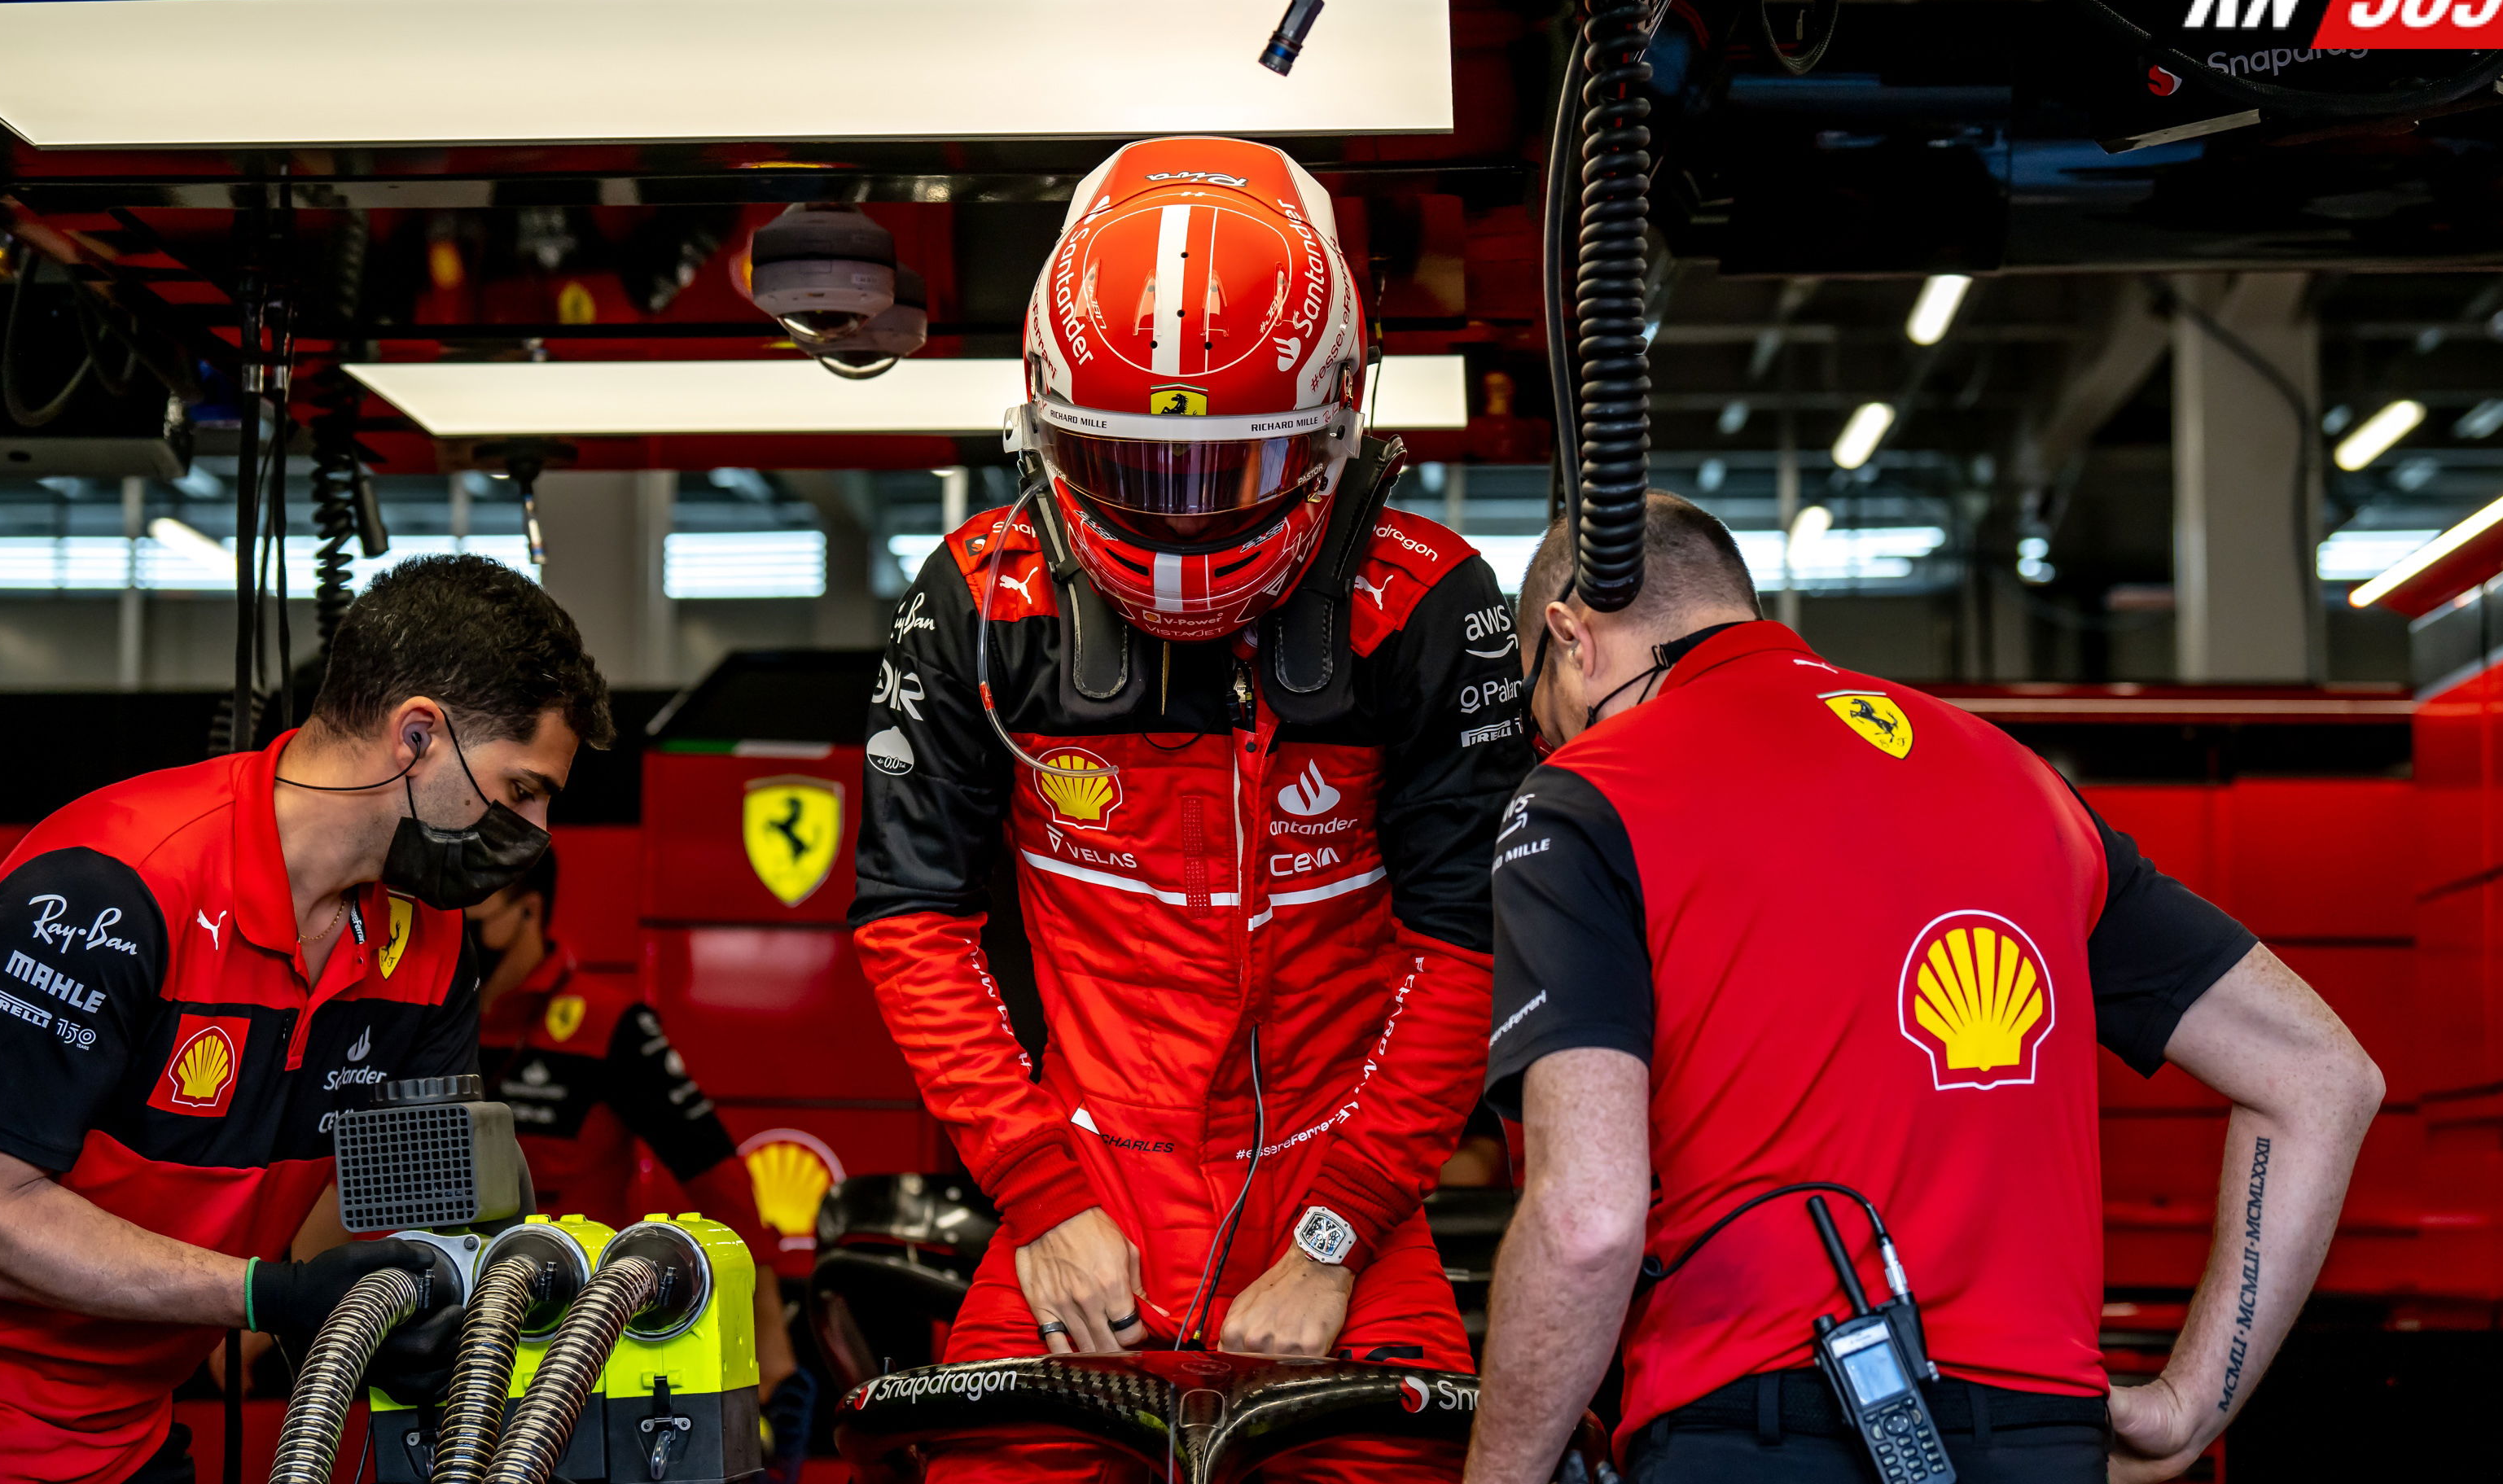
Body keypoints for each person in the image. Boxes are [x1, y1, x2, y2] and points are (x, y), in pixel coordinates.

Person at [1463, 496, 2387, 1484]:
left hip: (1756, 1430)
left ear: (1568, 637)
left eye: (1538, 716)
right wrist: (2184, 1404)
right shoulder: (2018, 779)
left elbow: (1587, 1219)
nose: (1549, 745)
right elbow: (2321, 1075)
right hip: (2043, 1440)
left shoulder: (1589, 792)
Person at [851, 135, 1527, 1480]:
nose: (1178, 521)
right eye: (1134, 468)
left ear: (1336, 419)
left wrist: (1335, 1230)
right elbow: (911, 919)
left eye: (1228, 469)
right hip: (1083, 1187)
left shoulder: (1430, 603)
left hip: (1344, 1202)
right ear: (1044, 421)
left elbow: (1473, 947)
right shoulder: (983, 601)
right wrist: (1039, 1196)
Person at [0, 554, 612, 1484]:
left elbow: (428, 1208)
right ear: (416, 736)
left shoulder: (426, 944)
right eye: (521, 790)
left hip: (129, 1420)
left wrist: (432, 1300)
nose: (539, 832)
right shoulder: (115, 883)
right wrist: (274, 1295)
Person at [468, 846, 804, 1406]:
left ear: (529, 909)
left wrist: (765, 1330)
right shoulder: (431, 1023)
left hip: (577, 1321)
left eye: (473, 916)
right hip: (457, 1310)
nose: (461, 934)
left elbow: (711, 1164)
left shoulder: (608, 1025)